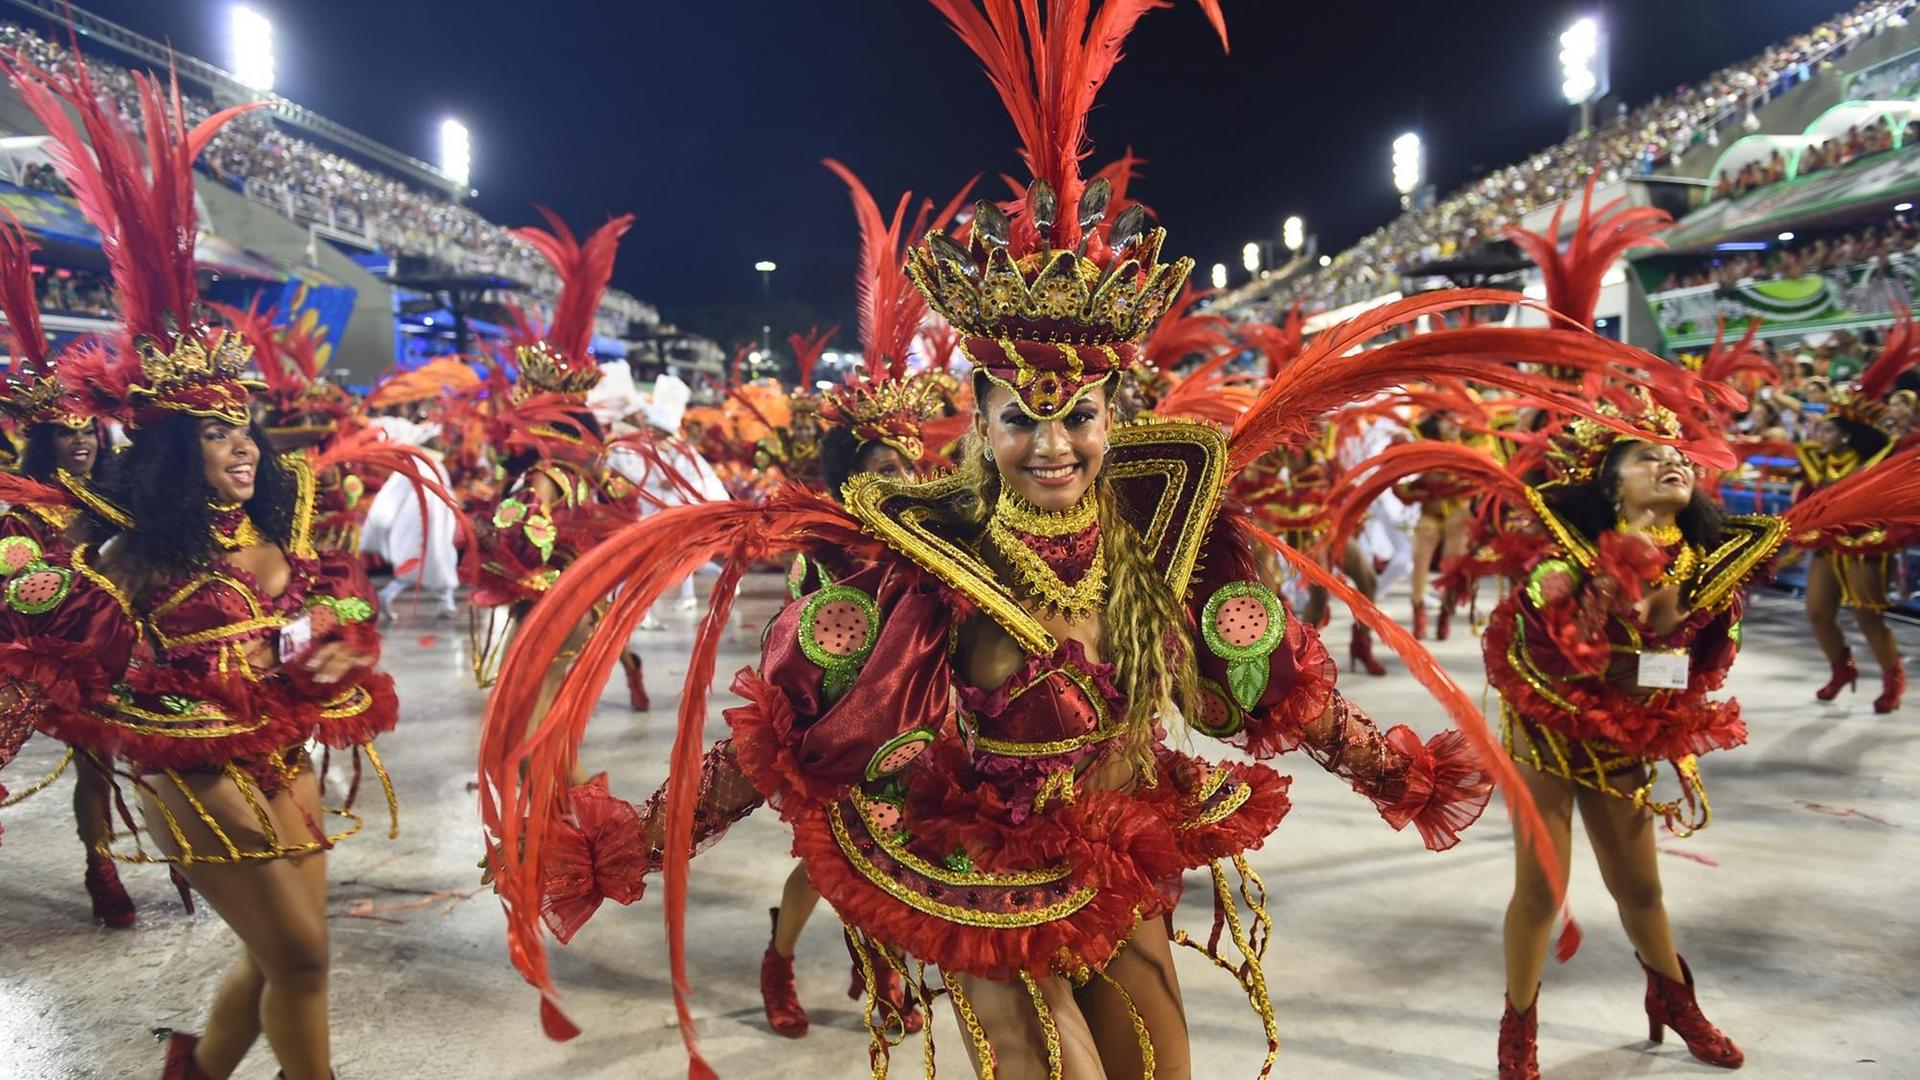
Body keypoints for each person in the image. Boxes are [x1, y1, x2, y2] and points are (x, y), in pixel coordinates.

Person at [0, 51, 397, 1080]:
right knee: (301, 952)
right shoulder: (133, 552)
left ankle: (195, 1069)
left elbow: (331, 617)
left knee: (294, 960)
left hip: (279, 744)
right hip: (190, 758)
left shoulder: (281, 528)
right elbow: (73, 648)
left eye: (248, 431)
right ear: (178, 450)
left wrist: (337, 650)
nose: (244, 448)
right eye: (219, 434)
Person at [0, 218, 135, 928]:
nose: (81, 445)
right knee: (81, 761)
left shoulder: (118, 501)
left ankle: (118, 862)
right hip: (43, 653)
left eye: (88, 433)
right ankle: (101, 864)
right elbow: (19, 585)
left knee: (112, 763)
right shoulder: (19, 509)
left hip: (119, 655)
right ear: (41, 440)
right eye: (66, 434)